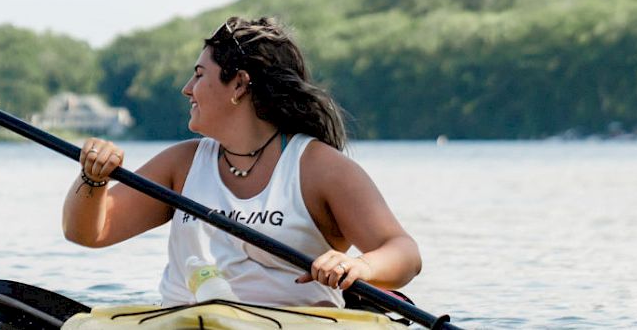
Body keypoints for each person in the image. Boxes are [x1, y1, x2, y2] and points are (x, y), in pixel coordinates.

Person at [61, 17, 420, 308]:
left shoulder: (319, 168)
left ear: (239, 84)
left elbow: (404, 253)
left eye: (200, 75)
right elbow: (88, 233)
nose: (187, 88)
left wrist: (359, 265)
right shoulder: (181, 163)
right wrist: (93, 180)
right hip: (182, 318)